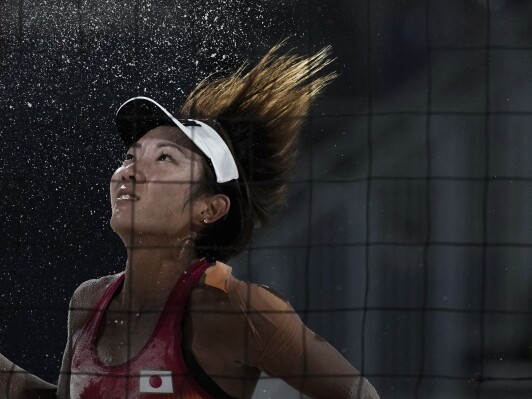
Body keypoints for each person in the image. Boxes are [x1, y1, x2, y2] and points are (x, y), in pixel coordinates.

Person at [2, 44, 379, 399]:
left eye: (164, 158)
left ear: (209, 209)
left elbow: (359, 395)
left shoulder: (232, 306)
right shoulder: (88, 301)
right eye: (130, 157)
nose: (130, 172)